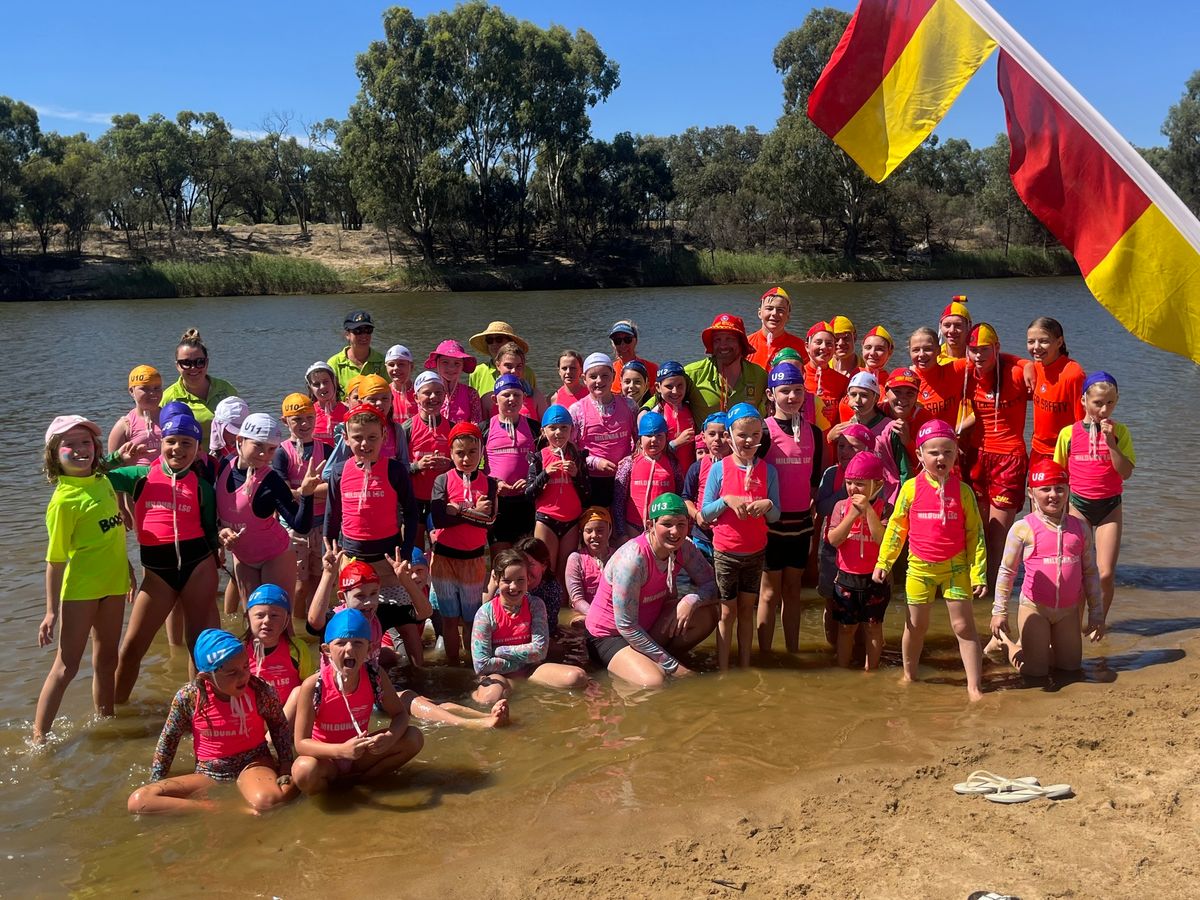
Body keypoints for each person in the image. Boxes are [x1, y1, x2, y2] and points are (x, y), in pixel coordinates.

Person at [106, 414, 221, 703]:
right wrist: (115, 457)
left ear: (197, 447)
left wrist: (219, 550)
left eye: (187, 443)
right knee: (131, 648)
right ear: (161, 444)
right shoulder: (139, 476)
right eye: (171, 442)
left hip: (199, 568)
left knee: (199, 648)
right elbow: (95, 475)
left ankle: (198, 711)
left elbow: (210, 530)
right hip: (157, 574)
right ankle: (115, 715)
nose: (178, 449)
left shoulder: (201, 486)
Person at [34, 416, 133, 744]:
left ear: (95, 448)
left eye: (85, 443)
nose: (79, 450)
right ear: (54, 454)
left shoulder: (102, 480)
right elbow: (55, 560)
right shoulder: (63, 502)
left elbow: (114, 533)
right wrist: (51, 611)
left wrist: (129, 570)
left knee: (108, 659)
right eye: (70, 445)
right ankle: (39, 737)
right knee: (66, 667)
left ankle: (105, 720)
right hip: (81, 591)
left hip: (115, 584)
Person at [873, 420, 987, 701]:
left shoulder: (963, 492)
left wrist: (978, 573)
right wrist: (884, 562)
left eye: (948, 452)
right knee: (916, 625)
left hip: (956, 567)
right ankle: (909, 675)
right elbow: (897, 529)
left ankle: (974, 687)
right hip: (919, 569)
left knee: (964, 627)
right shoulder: (910, 489)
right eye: (933, 452)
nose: (941, 458)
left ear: (956, 454)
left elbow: (976, 535)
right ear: (921, 455)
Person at [126, 629, 297, 814]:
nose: (243, 677)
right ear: (206, 677)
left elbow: (279, 726)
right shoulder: (189, 697)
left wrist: (286, 766)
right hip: (209, 772)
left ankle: (283, 788)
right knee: (140, 801)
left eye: (246, 666)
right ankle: (221, 810)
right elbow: (169, 739)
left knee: (267, 801)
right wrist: (157, 778)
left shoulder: (260, 689)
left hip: (253, 762)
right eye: (232, 673)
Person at [584, 494, 721, 687]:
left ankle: (653, 661)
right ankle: (652, 665)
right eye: (667, 524)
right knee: (653, 682)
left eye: (681, 524)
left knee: (707, 614)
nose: (675, 532)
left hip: (648, 627)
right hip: (609, 636)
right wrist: (673, 666)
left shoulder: (685, 547)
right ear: (650, 525)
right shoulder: (632, 561)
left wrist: (691, 600)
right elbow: (626, 625)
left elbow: (713, 585)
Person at [989, 460, 1105, 677]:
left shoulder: (1079, 528)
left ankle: (1042, 648)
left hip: (1068, 611)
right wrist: (999, 612)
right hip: (1035, 608)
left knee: (1070, 670)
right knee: (1036, 673)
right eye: (1045, 489)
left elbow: (1090, 572)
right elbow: (1006, 572)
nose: (1054, 495)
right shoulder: (1023, 528)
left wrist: (1096, 614)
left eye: (1060, 489)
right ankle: (1004, 644)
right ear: (1031, 493)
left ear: (1068, 491)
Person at [291, 608, 424, 795]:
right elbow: (301, 743)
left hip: (361, 754)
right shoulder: (314, 685)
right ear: (326, 650)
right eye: (341, 643)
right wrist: (340, 751)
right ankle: (332, 795)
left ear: (369, 649)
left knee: (413, 737)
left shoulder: (375, 676)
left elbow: (400, 714)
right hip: (327, 759)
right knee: (303, 770)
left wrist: (389, 738)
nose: (349, 649)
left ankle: (362, 785)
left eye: (357, 643)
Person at [701, 403, 781, 670]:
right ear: (730, 436)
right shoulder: (719, 469)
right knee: (727, 612)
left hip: (755, 553)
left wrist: (768, 505)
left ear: (761, 436)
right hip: (725, 552)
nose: (748, 441)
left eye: (755, 435)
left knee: (747, 610)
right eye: (742, 435)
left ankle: (745, 666)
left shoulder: (769, 471)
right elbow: (705, 513)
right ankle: (724, 668)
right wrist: (727, 500)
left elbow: (776, 516)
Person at [1054, 371, 1135, 618]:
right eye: (1098, 402)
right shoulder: (1068, 433)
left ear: (1117, 401)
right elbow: (1057, 476)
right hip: (1078, 506)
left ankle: (1098, 620)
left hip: (1109, 507)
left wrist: (1111, 443)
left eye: (1110, 402)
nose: (1103, 409)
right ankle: (1074, 627)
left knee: (1105, 573)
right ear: (1083, 401)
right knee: (1077, 574)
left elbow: (1126, 472)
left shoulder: (1120, 431)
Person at [217, 413, 318, 604]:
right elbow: (216, 508)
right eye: (258, 446)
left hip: (275, 556)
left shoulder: (271, 481)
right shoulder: (224, 466)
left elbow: (301, 526)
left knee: (276, 618)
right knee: (252, 619)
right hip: (243, 556)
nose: (264, 455)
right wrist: (220, 531)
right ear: (240, 440)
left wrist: (307, 494)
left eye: (271, 449)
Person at [758, 363, 822, 654]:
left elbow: (814, 481)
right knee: (769, 593)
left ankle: (793, 653)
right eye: (785, 391)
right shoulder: (762, 432)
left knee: (793, 591)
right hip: (771, 524)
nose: (792, 397)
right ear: (771, 395)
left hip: (800, 525)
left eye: (798, 390)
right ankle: (765, 654)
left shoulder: (816, 434)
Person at [963, 324, 1032, 593]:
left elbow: (1042, 369)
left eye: (984, 351)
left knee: (997, 537)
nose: (978, 356)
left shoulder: (1016, 373)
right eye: (974, 351)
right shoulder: (967, 373)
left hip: (1009, 459)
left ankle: (996, 596)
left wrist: (1023, 362)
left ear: (997, 348)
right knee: (977, 533)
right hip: (978, 457)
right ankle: (978, 594)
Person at [471, 550, 589, 705]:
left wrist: (499, 651)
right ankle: (478, 692)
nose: (514, 587)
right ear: (496, 579)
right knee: (489, 699)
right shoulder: (485, 614)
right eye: (507, 580)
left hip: (531, 671)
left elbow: (540, 651)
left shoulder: (536, 605)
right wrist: (524, 657)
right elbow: (481, 665)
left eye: (520, 580)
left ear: (528, 579)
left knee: (577, 678)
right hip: (499, 675)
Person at [324, 404, 419, 588]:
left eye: (372, 437)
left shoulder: (395, 470)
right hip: (351, 557)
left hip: (389, 558)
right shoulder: (339, 472)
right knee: (357, 612)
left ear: (383, 436)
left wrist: (406, 552)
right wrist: (329, 550)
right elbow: (332, 516)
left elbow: (411, 513)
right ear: (345, 438)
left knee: (391, 614)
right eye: (357, 438)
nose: (365, 444)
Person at [429, 422, 498, 666]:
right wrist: (472, 510)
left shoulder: (489, 483)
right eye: (460, 453)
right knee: (449, 619)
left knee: (470, 619)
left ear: (481, 452)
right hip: (444, 559)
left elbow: (488, 522)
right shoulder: (442, 480)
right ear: (450, 454)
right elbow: (438, 517)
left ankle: (471, 665)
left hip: (474, 560)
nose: (466, 458)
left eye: (472, 452)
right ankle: (452, 666)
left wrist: (456, 510)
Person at [827, 452, 890, 670]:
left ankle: (870, 671)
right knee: (846, 628)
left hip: (875, 580)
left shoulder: (885, 509)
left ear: (878, 485)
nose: (853, 489)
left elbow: (883, 540)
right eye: (849, 483)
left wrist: (869, 511)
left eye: (860, 484)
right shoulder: (841, 507)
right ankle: (843, 667)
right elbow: (833, 540)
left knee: (873, 627)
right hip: (846, 579)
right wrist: (852, 515)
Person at [527, 405, 590, 577]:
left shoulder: (578, 456)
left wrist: (576, 475)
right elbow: (529, 493)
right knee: (544, 570)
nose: (558, 433)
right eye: (552, 428)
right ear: (543, 431)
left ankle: (564, 605)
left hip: (571, 521)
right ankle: (543, 604)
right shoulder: (538, 457)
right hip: (546, 519)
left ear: (572, 429)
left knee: (565, 573)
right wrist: (545, 474)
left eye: (564, 427)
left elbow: (587, 493)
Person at [569, 353, 637, 507]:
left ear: (613, 376)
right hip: (591, 479)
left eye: (604, 375)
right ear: (584, 379)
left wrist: (629, 460)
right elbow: (570, 450)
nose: (599, 381)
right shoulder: (576, 410)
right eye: (593, 376)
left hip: (625, 476)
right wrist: (594, 462)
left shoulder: (629, 405)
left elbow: (639, 441)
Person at [482, 373, 539, 551]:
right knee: (501, 559)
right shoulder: (483, 428)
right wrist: (494, 484)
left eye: (517, 395)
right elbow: (472, 469)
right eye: (506, 395)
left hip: (526, 502)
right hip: (499, 503)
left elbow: (543, 463)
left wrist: (531, 481)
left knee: (525, 557)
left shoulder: (534, 428)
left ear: (523, 398)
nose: (512, 399)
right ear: (494, 399)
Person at [242, 583, 312, 719]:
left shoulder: (297, 649)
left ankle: (271, 740)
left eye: (274, 615)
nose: (267, 621)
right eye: (260, 615)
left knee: (301, 691)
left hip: (286, 717)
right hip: (252, 716)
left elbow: (310, 688)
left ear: (287, 620)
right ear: (247, 618)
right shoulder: (239, 652)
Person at [685, 313, 768, 425]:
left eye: (729, 339)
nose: (723, 345)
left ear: (741, 343)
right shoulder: (691, 374)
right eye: (717, 340)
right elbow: (659, 400)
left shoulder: (760, 375)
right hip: (705, 442)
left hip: (746, 441)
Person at [401, 370, 454, 545]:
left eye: (438, 392)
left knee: (439, 548)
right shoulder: (406, 429)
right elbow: (395, 468)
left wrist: (450, 465)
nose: (433, 397)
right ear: (416, 397)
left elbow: (465, 464)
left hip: (442, 498)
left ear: (445, 396)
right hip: (413, 498)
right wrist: (417, 466)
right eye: (427, 392)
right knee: (413, 550)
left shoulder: (452, 428)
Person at [612, 411, 682, 542]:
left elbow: (680, 494)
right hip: (633, 526)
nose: (654, 440)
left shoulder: (673, 464)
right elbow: (618, 500)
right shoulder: (628, 463)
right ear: (640, 438)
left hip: (663, 527)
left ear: (666, 437)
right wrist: (622, 533)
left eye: (659, 436)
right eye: (649, 435)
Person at [162, 328, 238, 445]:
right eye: (186, 363)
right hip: (187, 460)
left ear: (207, 362)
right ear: (177, 365)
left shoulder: (226, 390)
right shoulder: (168, 398)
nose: (193, 368)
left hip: (225, 460)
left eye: (199, 362)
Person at [1027, 316, 1085, 467]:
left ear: (1059, 342)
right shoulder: (1036, 366)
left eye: (1044, 341)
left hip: (1063, 453)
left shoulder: (1073, 374)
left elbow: (1083, 422)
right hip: (1037, 450)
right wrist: (1025, 364)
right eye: (1031, 341)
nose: (1036, 347)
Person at [682, 412, 730, 561]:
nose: (717, 439)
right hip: (701, 535)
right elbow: (686, 498)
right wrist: (697, 515)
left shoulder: (738, 466)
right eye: (712, 434)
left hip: (728, 534)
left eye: (723, 434)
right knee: (701, 579)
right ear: (704, 437)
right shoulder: (697, 467)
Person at [642, 360, 696, 473]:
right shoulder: (656, 414)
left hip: (689, 474)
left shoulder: (691, 409)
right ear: (658, 387)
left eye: (680, 385)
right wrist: (676, 443)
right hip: (665, 473)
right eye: (669, 386)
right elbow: (648, 450)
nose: (675, 391)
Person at [565, 507, 614, 622]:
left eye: (600, 530)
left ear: (610, 530)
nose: (594, 535)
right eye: (588, 531)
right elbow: (577, 600)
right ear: (582, 533)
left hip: (613, 614)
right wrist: (597, 615)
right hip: (586, 614)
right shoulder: (575, 559)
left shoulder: (618, 556)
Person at [109, 365, 163, 465]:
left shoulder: (171, 419)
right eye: (145, 388)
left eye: (157, 388)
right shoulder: (124, 425)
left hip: (167, 478)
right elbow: (112, 467)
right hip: (137, 478)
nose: (152, 393)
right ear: (131, 391)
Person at [468, 320, 539, 397]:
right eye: (490, 340)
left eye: (499, 339)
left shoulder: (527, 372)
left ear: (511, 343)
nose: (494, 344)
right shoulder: (476, 372)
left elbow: (534, 400)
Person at [747, 286, 808, 371]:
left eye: (780, 310)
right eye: (769, 308)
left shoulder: (800, 347)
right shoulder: (746, 345)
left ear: (788, 316)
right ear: (759, 313)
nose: (774, 313)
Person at [804, 321, 850, 433]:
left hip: (829, 442)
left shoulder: (843, 381)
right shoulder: (798, 374)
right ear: (807, 346)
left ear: (834, 348)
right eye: (818, 342)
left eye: (829, 343)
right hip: (803, 439)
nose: (824, 347)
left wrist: (837, 411)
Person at [485, 340, 547, 420]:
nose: (514, 371)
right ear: (497, 365)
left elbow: (546, 428)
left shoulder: (535, 396)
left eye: (519, 366)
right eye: (509, 366)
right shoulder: (487, 400)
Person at [426, 339, 483, 424]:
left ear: (462, 365)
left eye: (457, 363)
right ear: (437, 363)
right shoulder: (426, 393)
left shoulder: (471, 394)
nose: (451, 368)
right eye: (445, 362)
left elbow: (476, 426)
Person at [327, 309, 385, 393]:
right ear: (347, 334)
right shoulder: (334, 364)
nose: (364, 335)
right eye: (358, 331)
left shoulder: (382, 361)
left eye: (368, 330)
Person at [305, 361, 347, 447]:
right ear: (310, 389)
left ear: (334, 381)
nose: (322, 387)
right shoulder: (307, 413)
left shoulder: (348, 410)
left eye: (326, 382)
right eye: (316, 384)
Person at [610, 320, 657, 391]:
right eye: (617, 341)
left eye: (627, 339)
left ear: (636, 341)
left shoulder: (653, 369)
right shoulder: (608, 372)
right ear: (613, 344)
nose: (623, 345)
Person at [384, 344, 416, 424]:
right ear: (386, 368)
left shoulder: (420, 391)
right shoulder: (383, 393)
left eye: (401, 364)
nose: (396, 368)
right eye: (391, 365)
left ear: (411, 367)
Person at [938, 296, 971, 363]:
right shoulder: (933, 357)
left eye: (958, 325)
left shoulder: (978, 358)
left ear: (969, 326)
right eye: (947, 325)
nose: (952, 330)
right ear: (940, 327)